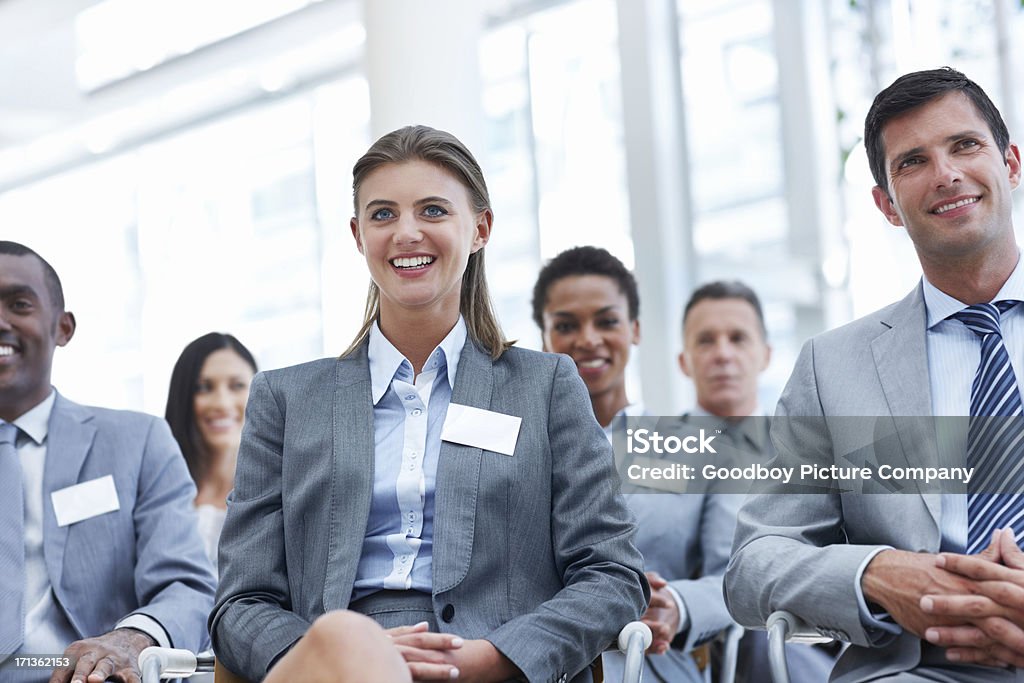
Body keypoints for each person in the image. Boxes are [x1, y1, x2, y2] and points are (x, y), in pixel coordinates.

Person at [210, 126, 649, 683]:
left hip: (491, 666)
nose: (406, 232)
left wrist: (494, 657)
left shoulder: (546, 387)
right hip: (328, 669)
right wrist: (334, 655)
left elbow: (613, 573)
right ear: (357, 234)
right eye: (383, 214)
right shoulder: (285, 399)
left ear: (480, 229)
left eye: (434, 210)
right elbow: (240, 603)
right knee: (347, 639)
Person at [725, 66, 1024, 681]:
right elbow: (754, 564)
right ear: (887, 205)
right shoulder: (834, 368)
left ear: (1011, 163)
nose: (945, 174)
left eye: (964, 145)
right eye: (912, 162)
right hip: (918, 667)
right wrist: (878, 573)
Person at [0, 241, 215, 683]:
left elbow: (187, 587)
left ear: (63, 327)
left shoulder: (137, 442)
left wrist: (131, 640)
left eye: (18, 304)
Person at [532, 247, 739, 682]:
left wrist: (678, 606)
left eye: (606, 321)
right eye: (566, 325)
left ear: (635, 329)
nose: (588, 339)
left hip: (655, 667)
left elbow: (736, 575)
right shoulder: (518, 452)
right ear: (544, 338)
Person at [679, 281, 834, 682]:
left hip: (794, 646)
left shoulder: (813, 451)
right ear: (684, 360)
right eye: (706, 341)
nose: (723, 354)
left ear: (765, 355)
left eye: (738, 338)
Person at [165, 332, 257, 567]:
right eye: (204, 388)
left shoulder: (282, 492)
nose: (222, 403)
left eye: (237, 385)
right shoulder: (158, 493)